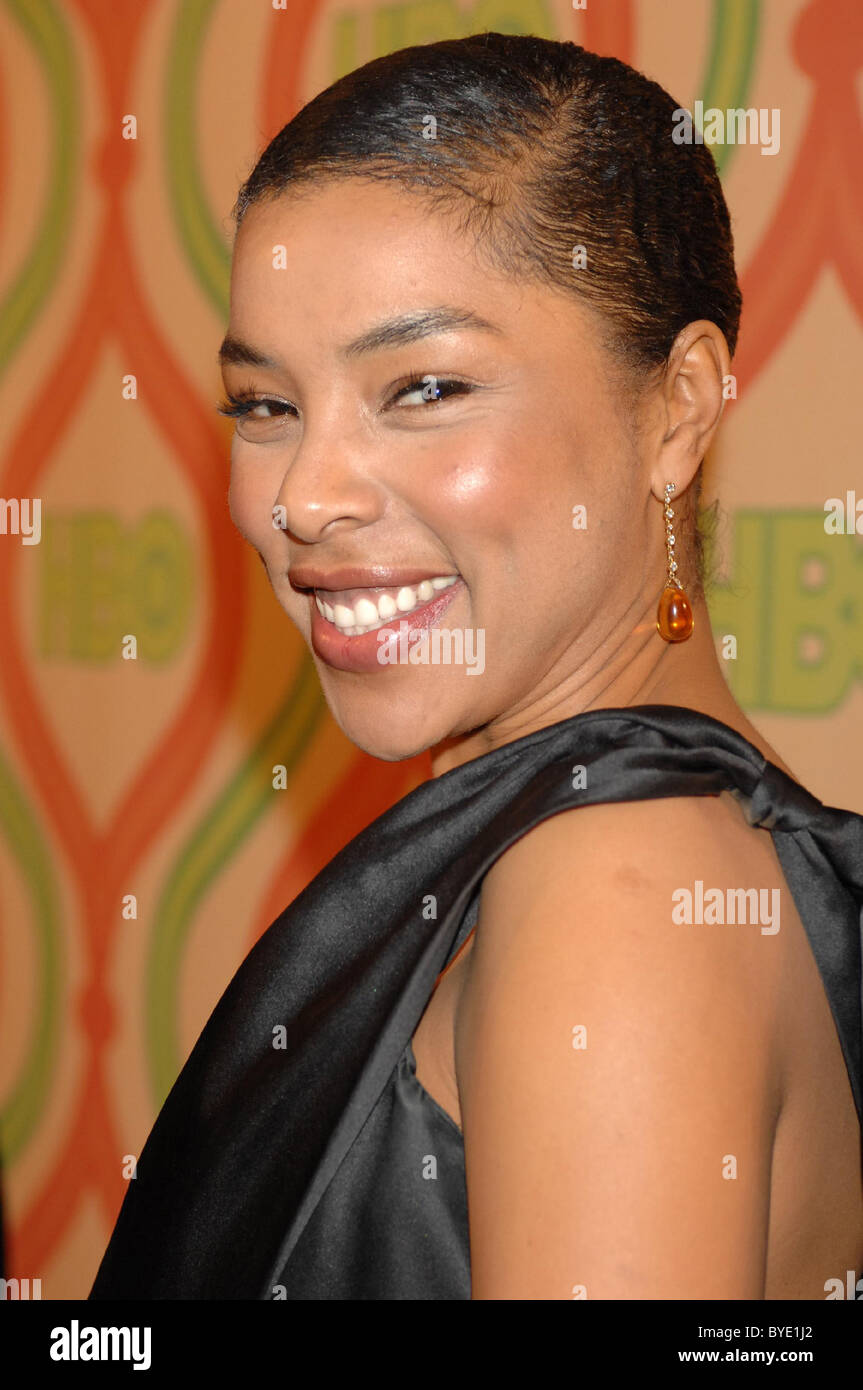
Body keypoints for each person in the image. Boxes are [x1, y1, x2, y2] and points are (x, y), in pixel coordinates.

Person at [90, 32, 863, 1301]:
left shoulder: (616, 889)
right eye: (264, 406)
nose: (303, 498)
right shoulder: (698, 843)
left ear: (677, 407)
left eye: (425, 387)